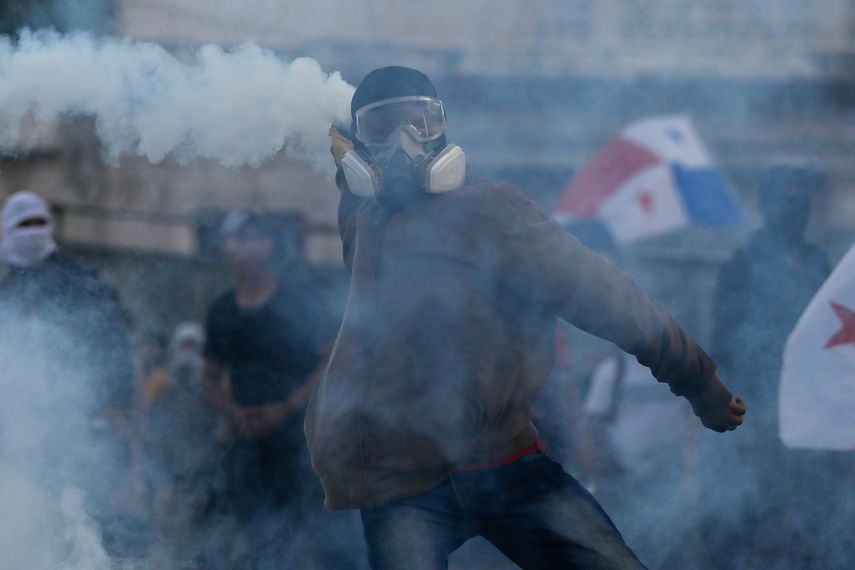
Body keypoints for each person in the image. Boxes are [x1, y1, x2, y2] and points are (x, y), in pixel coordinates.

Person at [306, 66, 746, 570]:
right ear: (363, 150)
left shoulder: (497, 212)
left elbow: (613, 300)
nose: (405, 143)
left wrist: (699, 381)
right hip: (401, 483)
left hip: (504, 466)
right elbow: (354, 184)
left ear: (441, 130)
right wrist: (348, 165)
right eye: (384, 128)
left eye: (418, 124)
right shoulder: (365, 220)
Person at [703, 165, 830, 569]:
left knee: (815, 514)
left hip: (814, 415)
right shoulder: (740, 268)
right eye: (786, 201)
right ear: (766, 206)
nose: (795, 211)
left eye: (802, 202)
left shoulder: (819, 264)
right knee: (756, 510)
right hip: (758, 416)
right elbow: (724, 344)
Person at [0, 189, 138, 553]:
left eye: (38, 222)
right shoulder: (5, 290)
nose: (32, 231)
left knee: (85, 512)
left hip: (82, 419)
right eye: (22, 224)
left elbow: (115, 344)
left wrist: (118, 403)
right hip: (21, 430)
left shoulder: (80, 280)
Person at [201, 209, 336, 565]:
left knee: (308, 532)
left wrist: (287, 407)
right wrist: (235, 414)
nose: (246, 248)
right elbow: (209, 378)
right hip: (246, 438)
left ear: (269, 245)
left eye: (253, 238)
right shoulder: (222, 311)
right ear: (226, 249)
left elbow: (331, 362)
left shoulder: (300, 300)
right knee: (249, 530)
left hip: (300, 440)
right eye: (237, 240)